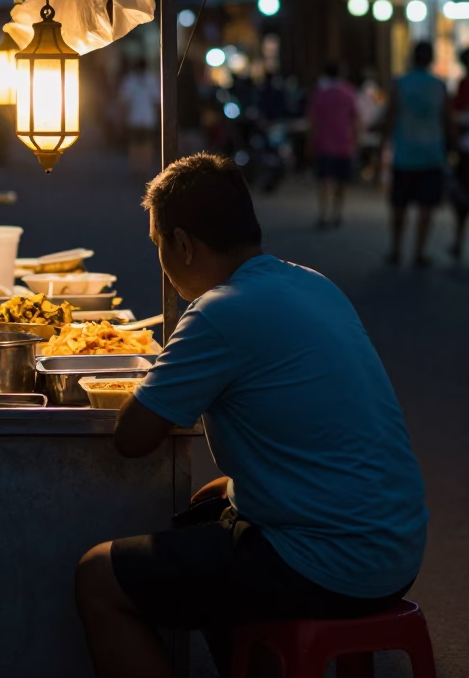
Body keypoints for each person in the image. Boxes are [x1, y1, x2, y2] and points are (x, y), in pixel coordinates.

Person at [76, 154, 427, 678]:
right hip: (397, 545)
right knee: (209, 504)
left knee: (98, 576)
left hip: (326, 563)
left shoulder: (220, 311)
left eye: (159, 248)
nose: (163, 263)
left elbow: (133, 436)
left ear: (184, 244)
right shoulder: (311, 283)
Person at [386, 41, 449, 267]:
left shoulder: (400, 83)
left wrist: (387, 142)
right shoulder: (439, 86)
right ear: (431, 59)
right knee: (426, 206)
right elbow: (446, 119)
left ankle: (395, 249)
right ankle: (419, 252)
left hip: (404, 152)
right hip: (432, 153)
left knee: (399, 205)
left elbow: (391, 115)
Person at [307, 60, 358, 228]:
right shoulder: (348, 92)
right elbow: (355, 118)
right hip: (344, 142)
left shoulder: (320, 93)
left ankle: (323, 214)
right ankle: (337, 214)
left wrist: (310, 142)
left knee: (324, 181)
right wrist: (356, 140)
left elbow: (313, 120)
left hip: (323, 142)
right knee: (341, 182)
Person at [118, 58, 160, 174]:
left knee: (134, 144)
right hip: (148, 118)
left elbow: (124, 102)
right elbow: (157, 101)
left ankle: (136, 166)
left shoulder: (130, 79)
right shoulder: (151, 79)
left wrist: (122, 118)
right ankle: (145, 166)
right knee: (147, 143)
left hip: (134, 118)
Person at [448, 47, 469, 259]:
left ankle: (458, 241)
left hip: (465, 148)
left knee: (462, 198)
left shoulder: (464, 84)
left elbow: (457, 115)